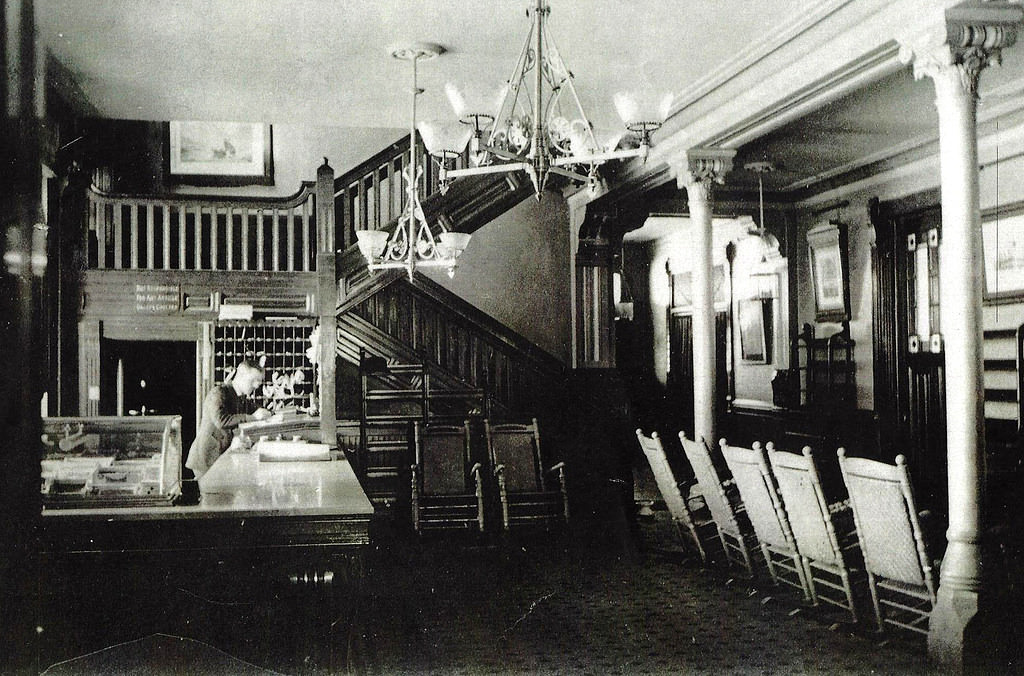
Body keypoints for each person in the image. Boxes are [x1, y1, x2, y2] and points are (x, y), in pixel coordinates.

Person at [185, 359, 272, 479]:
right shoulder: (218, 393)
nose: (256, 385)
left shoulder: (241, 399)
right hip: (206, 458)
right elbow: (221, 420)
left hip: (219, 456)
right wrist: (252, 417)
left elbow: (259, 410)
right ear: (241, 373)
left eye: (258, 382)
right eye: (253, 380)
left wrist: (270, 414)